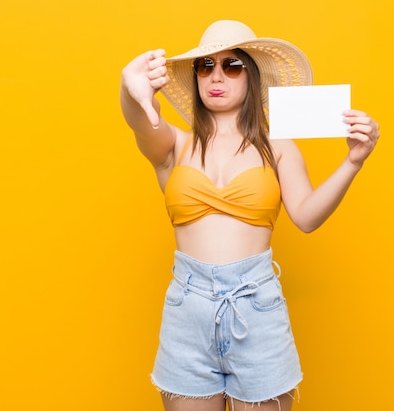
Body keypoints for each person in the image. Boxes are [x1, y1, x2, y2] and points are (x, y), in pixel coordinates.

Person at [120, 20, 380, 411]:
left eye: (232, 65)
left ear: (252, 75)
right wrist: (129, 89)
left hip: (256, 306)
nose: (216, 76)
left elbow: (307, 217)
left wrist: (353, 162)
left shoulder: (278, 146)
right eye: (205, 66)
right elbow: (141, 121)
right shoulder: (174, 144)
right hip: (187, 310)